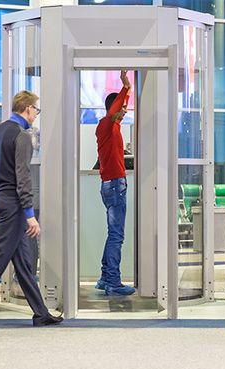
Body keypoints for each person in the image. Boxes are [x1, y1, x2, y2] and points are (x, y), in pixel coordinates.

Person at [0, 90, 63, 328]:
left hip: (0, 200)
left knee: (23, 261)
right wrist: (29, 215)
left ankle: (40, 312)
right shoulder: (22, 136)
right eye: (36, 110)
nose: (36, 114)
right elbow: (23, 176)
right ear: (27, 109)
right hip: (15, 204)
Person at [94, 70, 135, 296]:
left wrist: (126, 95)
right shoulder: (107, 126)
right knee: (117, 235)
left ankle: (104, 277)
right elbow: (114, 109)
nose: (125, 110)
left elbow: (117, 109)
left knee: (113, 233)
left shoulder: (113, 127)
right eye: (123, 108)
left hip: (112, 185)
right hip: (115, 186)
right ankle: (113, 281)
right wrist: (125, 86)